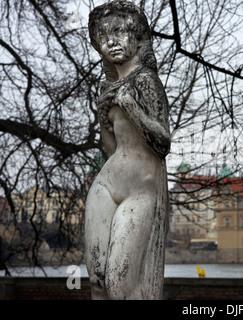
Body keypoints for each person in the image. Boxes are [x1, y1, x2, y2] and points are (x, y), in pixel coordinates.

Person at [85, 0, 170, 300]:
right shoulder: (108, 87)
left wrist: (130, 106)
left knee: (119, 285)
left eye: (119, 32)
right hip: (107, 185)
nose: (111, 42)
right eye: (103, 36)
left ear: (136, 37)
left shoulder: (146, 80)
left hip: (140, 191)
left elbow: (163, 143)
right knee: (97, 279)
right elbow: (113, 151)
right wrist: (103, 117)